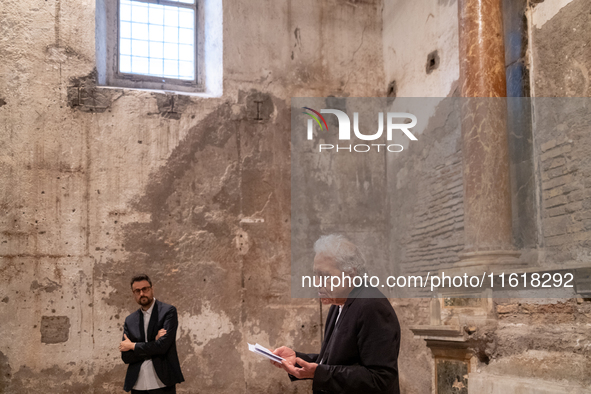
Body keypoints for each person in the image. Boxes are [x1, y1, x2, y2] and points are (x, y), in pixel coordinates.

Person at [271, 235, 401, 394]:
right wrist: (297, 359)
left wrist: (319, 373)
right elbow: (337, 360)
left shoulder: (371, 306)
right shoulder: (340, 301)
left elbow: (380, 378)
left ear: (351, 274)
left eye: (325, 276)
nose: (317, 283)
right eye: (315, 275)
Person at [119, 274, 185, 393]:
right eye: (137, 291)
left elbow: (163, 347)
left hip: (162, 382)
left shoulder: (168, 312)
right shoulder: (130, 320)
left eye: (145, 289)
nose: (142, 293)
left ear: (152, 288)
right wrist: (153, 343)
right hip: (137, 384)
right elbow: (126, 357)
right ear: (133, 293)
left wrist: (133, 346)